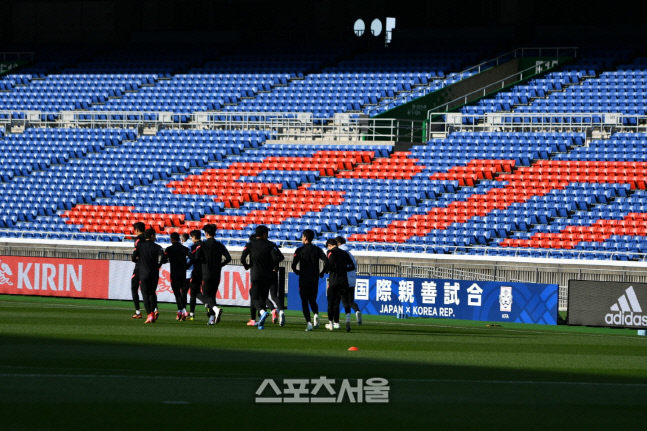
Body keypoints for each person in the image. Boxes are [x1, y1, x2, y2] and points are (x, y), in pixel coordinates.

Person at [240, 225, 284, 329]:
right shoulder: (270, 244)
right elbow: (277, 258)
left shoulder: (250, 244)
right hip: (268, 275)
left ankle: (262, 312)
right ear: (264, 234)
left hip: (256, 275)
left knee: (254, 297)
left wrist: (247, 266)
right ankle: (261, 324)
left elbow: (242, 258)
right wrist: (274, 266)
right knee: (263, 298)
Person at [193, 224, 231, 325]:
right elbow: (228, 258)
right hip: (216, 273)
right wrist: (220, 265)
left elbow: (196, 258)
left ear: (206, 233)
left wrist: (202, 262)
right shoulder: (220, 245)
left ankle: (216, 310)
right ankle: (212, 318)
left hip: (206, 273)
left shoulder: (202, 245)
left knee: (206, 295)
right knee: (212, 296)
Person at [292, 229, 329, 331]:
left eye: (302, 236)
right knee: (312, 300)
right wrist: (322, 272)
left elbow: (293, 265)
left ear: (305, 238)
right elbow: (327, 262)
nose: (302, 238)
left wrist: (297, 272)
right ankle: (316, 315)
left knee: (304, 301)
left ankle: (309, 322)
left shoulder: (299, 250)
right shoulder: (317, 249)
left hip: (304, 278)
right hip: (314, 278)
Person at [132, 228, 167, 323]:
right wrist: (159, 265)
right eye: (155, 235)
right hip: (154, 273)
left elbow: (133, 258)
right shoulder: (158, 247)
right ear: (152, 236)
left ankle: (150, 314)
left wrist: (139, 261)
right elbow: (163, 257)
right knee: (152, 293)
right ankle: (153, 311)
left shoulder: (140, 246)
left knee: (145, 293)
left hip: (143, 273)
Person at [325, 238, 356, 332]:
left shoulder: (330, 252)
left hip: (334, 281)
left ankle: (331, 323)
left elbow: (329, 264)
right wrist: (342, 269)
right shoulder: (345, 253)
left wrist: (326, 271)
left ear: (329, 245)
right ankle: (347, 320)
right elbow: (352, 267)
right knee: (346, 302)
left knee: (331, 302)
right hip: (344, 281)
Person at [335, 236, 362, 326]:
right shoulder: (350, 254)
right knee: (351, 301)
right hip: (352, 279)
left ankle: (343, 320)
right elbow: (354, 267)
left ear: (338, 244)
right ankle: (357, 311)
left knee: (341, 301)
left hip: (342, 280)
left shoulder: (339, 253)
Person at [164, 232, 191, 321]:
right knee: (182, 293)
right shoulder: (185, 249)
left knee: (177, 293)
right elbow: (193, 258)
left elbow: (164, 260)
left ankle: (183, 310)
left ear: (172, 239)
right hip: (183, 274)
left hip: (174, 274)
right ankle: (179, 311)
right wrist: (187, 265)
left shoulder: (169, 249)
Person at [130, 222, 146, 319]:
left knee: (134, 288)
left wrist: (135, 260)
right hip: (149, 266)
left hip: (140, 265)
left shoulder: (138, 239)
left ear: (136, 230)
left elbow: (135, 254)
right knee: (148, 290)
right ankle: (154, 310)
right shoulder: (148, 238)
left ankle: (138, 312)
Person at [186, 229, 203, 321]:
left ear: (194, 237)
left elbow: (193, 259)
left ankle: (192, 314)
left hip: (195, 271)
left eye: (191, 237)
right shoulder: (205, 245)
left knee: (193, 293)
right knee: (199, 292)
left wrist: (186, 266)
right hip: (204, 271)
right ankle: (210, 308)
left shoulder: (194, 246)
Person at [180, 233, 193, 319]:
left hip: (187, 273)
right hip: (194, 271)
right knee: (195, 293)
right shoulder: (192, 244)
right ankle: (191, 313)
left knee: (183, 293)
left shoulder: (185, 246)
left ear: (182, 240)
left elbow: (187, 258)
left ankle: (184, 311)